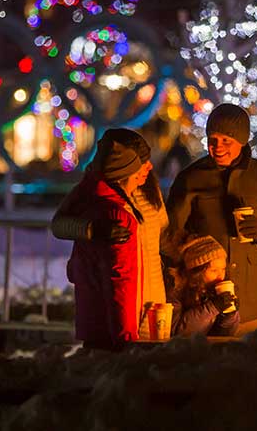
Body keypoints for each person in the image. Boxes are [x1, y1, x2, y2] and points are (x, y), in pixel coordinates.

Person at [166, 103, 257, 334]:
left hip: (251, 298)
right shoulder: (191, 179)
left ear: (242, 141)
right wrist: (195, 254)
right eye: (212, 139)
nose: (217, 147)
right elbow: (171, 234)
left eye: (226, 140)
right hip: (203, 299)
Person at [52, 129, 169, 338]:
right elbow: (59, 224)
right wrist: (93, 230)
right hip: (120, 305)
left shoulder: (151, 191)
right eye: (144, 162)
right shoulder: (95, 193)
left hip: (153, 299)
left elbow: (164, 236)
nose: (149, 167)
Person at [63, 139, 143, 350]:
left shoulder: (88, 204)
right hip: (113, 331)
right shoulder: (118, 216)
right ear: (123, 177)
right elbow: (120, 280)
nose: (140, 181)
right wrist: (125, 337)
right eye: (136, 175)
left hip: (91, 325)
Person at [168, 235, 239, 336]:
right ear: (197, 272)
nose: (221, 276)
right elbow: (179, 332)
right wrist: (213, 307)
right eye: (214, 270)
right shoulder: (177, 292)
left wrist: (230, 315)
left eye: (223, 269)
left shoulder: (214, 290)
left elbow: (224, 335)